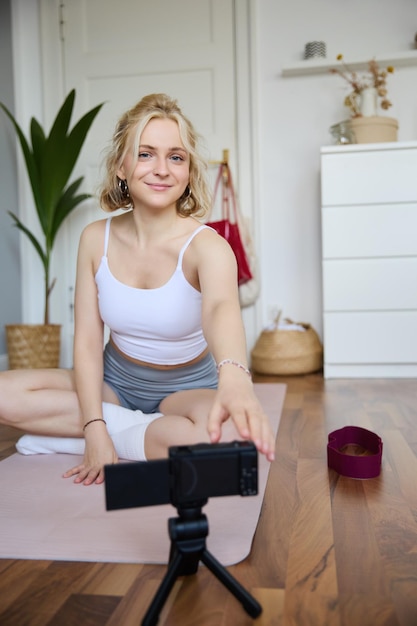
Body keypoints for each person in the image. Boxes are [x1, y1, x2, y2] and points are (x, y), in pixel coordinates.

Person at [0, 93, 275, 486]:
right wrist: (94, 422)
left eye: (176, 157)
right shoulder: (96, 239)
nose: (162, 169)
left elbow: (221, 310)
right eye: (146, 154)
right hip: (113, 382)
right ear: (121, 166)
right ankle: (110, 432)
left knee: (228, 440)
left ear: (188, 170)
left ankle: (101, 437)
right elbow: (89, 338)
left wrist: (235, 376)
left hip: (187, 388)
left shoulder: (208, 246)